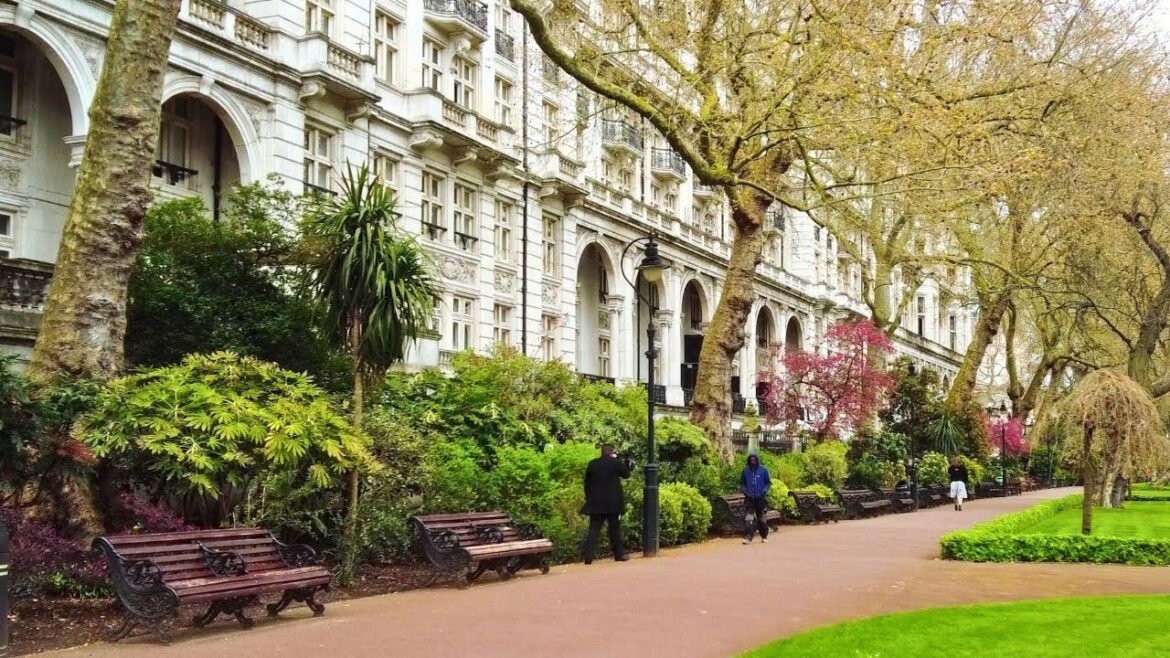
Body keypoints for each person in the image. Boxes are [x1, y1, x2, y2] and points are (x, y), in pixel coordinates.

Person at [581, 444, 631, 564]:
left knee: (593, 529)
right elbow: (626, 474)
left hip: (596, 503)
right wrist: (619, 461)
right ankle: (619, 555)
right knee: (614, 529)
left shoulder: (592, 464)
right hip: (613, 503)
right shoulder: (615, 462)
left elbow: (587, 483)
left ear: (601, 452)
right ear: (611, 452)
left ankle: (588, 557)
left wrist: (588, 498)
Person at [740, 452, 772, 544]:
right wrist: (745, 491)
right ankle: (748, 537)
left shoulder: (764, 470)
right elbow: (742, 483)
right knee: (749, 519)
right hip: (749, 498)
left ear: (757, 460)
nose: (752, 461)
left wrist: (764, 491)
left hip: (760, 498)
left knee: (761, 519)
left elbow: (768, 483)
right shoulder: (745, 470)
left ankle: (764, 536)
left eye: (754, 460)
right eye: (751, 460)